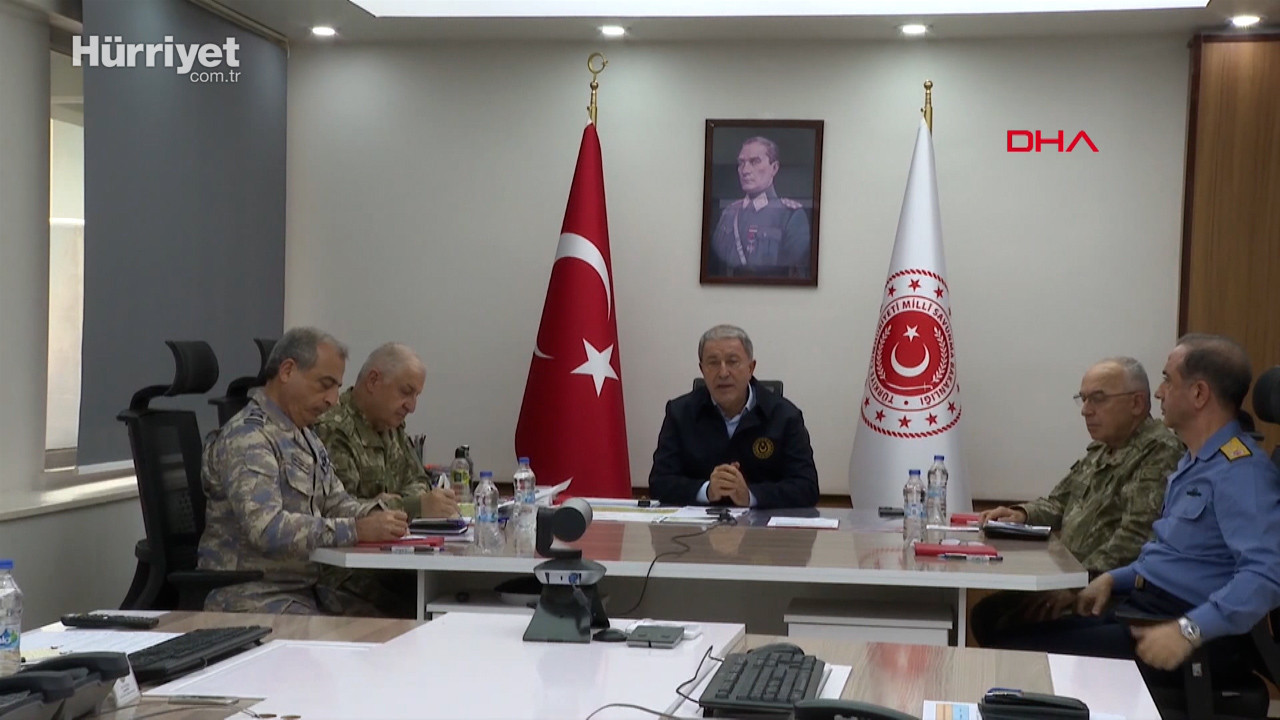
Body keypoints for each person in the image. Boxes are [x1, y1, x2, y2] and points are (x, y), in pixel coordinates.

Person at [990, 334, 1280, 696]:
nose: (1159, 392)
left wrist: (1189, 630)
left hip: (1190, 636)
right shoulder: (1194, 463)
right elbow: (1168, 555)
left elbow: (1266, 575)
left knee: (1014, 656)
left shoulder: (1241, 473)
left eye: (1168, 380)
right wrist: (1113, 579)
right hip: (1147, 607)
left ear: (1199, 394)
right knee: (1006, 632)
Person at [970, 357, 1182, 646]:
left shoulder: (1160, 453)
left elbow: (1134, 539)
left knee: (1006, 631)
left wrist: (1076, 584)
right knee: (987, 614)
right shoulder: (1102, 449)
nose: (1085, 410)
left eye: (1098, 399)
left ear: (1136, 403)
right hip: (1070, 577)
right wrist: (1020, 514)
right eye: (1083, 399)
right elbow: (1059, 502)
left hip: (1108, 591)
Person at [198, 327, 409, 615]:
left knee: (398, 621)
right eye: (325, 384)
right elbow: (266, 528)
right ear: (287, 371)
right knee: (362, 637)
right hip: (251, 595)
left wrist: (382, 517)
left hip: (304, 590)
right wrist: (356, 530)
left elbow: (336, 503)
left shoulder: (305, 436)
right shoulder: (249, 437)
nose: (333, 399)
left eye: (337, 387)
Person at [649, 324, 818, 509]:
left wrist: (750, 496)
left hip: (763, 525)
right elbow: (659, 482)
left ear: (751, 368)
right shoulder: (680, 413)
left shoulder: (785, 416)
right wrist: (707, 490)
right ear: (702, 369)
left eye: (732, 361)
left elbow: (807, 488)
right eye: (713, 363)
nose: (723, 373)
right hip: (696, 524)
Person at [315, 342, 457, 520]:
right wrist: (412, 506)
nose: (411, 407)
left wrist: (397, 502)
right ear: (373, 381)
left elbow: (419, 480)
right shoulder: (333, 429)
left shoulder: (393, 426)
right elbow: (337, 509)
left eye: (416, 396)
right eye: (406, 392)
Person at [710, 136, 811, 277]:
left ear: (774, 168)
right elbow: (716, 265)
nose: (745, 170)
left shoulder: (790, 215)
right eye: (741, 163)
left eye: (755, 161)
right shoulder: (729, 213)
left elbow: (795, 270)